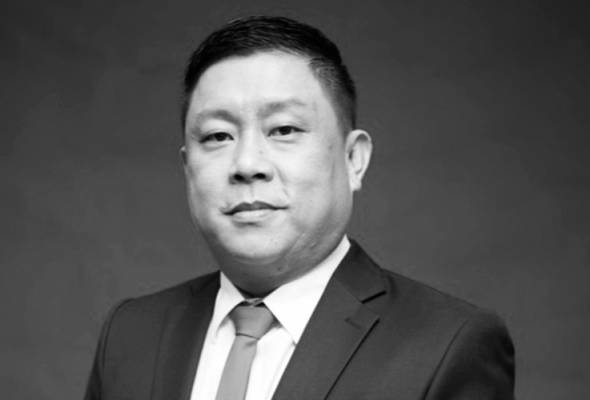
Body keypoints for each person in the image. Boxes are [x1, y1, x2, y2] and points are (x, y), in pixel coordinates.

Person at [85, 16, 515, 400]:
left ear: (354, 159)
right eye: (217, 136)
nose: (247, 164)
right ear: (187, 167)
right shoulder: (131, 333)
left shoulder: (447, 344)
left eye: (284, 129)